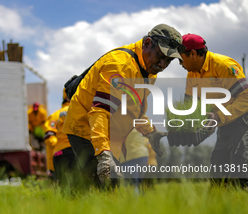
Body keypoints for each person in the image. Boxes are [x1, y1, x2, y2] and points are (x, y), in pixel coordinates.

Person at [63, 24, 184, 188]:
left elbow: (135, 110)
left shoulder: (148, 73)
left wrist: (151, 133)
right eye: (160, 56)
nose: (162, 64)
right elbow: (100, 111)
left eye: (168, 61)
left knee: (111, 189)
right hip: (87, 129)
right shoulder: (121, 66)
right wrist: (103, 155)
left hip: (112, 137)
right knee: (101, 187)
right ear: (147, 43)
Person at [179, 33, 248, 189]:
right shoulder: (192, 75)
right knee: (218, 171)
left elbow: (247, 99)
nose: (180, 63)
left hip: (244, 118)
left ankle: (242, 204)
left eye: (180, 59)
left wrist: (218, 116)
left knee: (239, 169)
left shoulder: (223, 65)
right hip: (222, 122)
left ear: (193, 54)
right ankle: (219, 207)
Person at [44, 89, 77, 186]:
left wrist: (50, 168)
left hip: (60, 153)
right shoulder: (83, 111)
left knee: (63, 186)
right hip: (78, 153)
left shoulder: (55, 115)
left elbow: (49, 138)